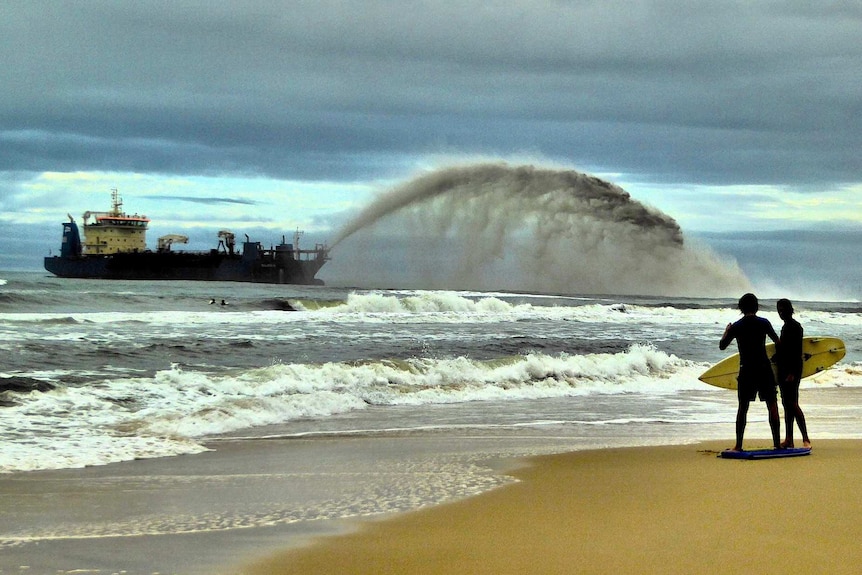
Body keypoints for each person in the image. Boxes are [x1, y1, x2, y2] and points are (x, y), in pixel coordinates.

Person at [719, 293, 781, 451]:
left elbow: (722, 346)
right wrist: (776, 357)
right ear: (757, 307)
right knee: (772, 405)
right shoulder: (764, 323)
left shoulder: (737, 326)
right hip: (764, 368)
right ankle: (777, 444)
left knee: (743, 407)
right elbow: (778, 342)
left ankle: (738, 445)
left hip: (746, 369)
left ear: (741, 308)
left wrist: (727, 331)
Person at [776, 298, 810, 448]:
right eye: (779, 310)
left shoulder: (796, 327)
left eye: (783, 310)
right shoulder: (785, 327)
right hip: (782, 368)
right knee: (786, 404)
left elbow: (796, 351)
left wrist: (792, 373)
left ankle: (806, 438)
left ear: (790, 310)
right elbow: (784, 349)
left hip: (792, 369)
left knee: (793, 403)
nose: (781, 313)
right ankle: (789, 439)